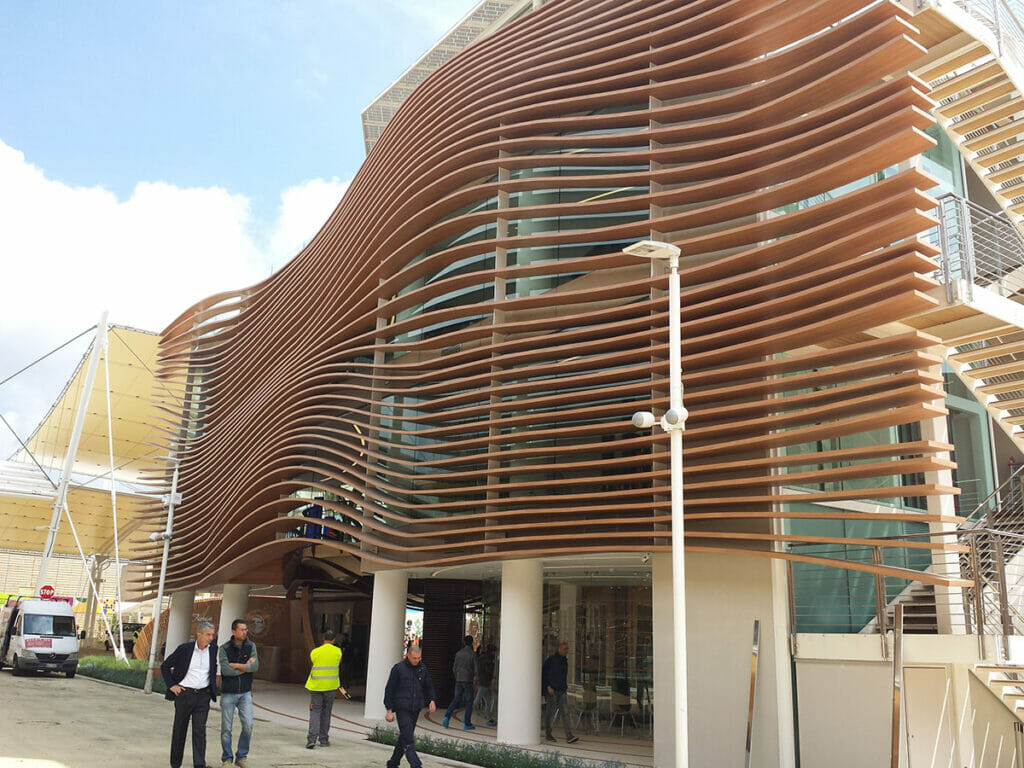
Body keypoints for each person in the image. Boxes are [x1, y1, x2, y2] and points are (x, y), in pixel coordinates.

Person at [161, 621, 219, 768]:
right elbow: (165, 666)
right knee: (180, 730)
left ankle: (199, 764)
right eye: (208, 635)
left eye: (212, 635)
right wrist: (172, 685)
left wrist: (211, 689)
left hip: (203, 696)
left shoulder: (213, 649)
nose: (211, 638)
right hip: (185, 695)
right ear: (199, 634)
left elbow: (212, 669)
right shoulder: (185, 649)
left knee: (200, 731)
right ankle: (175, 764)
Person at [384, 644, 436, 768]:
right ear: (408, 655)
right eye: (414, 658)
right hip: (402, 708)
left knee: (404, 736)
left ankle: (393, 763)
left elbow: (429, 685)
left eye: (419, 658)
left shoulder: (422, 668)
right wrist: (389, 709)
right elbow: (389, 689)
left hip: (416, 707)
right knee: (408, 739)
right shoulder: (398, 669)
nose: (417, 660)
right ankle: (416, 765)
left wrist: (432, 700)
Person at [218, 619, 259, 768]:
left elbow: (255, 666)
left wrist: (236, 665)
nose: (245, 632)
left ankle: (241, 756)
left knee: (248, 725)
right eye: (242, 630)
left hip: (245, 693)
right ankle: (227, 758)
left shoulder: (251, 646)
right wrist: (245, 667)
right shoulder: (224, 648)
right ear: (234, 631)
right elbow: (225, 670)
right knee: (226, 728)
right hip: (228, 693)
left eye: (246, 629)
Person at [304, 630, 342, 749]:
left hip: (316, 686)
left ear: (323, 639)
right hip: (331, 687)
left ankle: (311, 739)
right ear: (334, 640)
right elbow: (339, 662)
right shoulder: (338, 651)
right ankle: (324, 739)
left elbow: (313, 662)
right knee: (326, 713)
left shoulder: (315, 652)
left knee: (315, 712)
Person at [542, 640, 578, 744]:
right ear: (559, 649)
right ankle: (548, 734)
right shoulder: (551, 660)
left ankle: (569, 735)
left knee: (565, 713)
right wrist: (548, 686)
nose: (567, 651)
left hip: (562, 690)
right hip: (552, 690)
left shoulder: (564, 661)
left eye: (567, 649)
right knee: (550, 713)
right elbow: (544, 674)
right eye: (565, 649)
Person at [442, 635, 476, 730]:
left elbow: (454, 668)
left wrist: (457, 677)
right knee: (469, 701)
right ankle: (467, 723)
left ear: (464, 642)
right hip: (468, 680)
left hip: (459, 679)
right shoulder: (472, 654)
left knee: (456, 699)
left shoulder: (458, 653)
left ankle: (446, 717)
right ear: (472, 642)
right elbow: (476, 669)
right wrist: (474, 678)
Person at [473, 643, 497, 726]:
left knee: (488, 700)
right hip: (485, 682)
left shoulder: (482, 657)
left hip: (482, 680)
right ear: (492, 651)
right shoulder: (489, 660)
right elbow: (488, 671)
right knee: (477, 700)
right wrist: (491, 678)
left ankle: (489, 717)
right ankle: (467, 715)